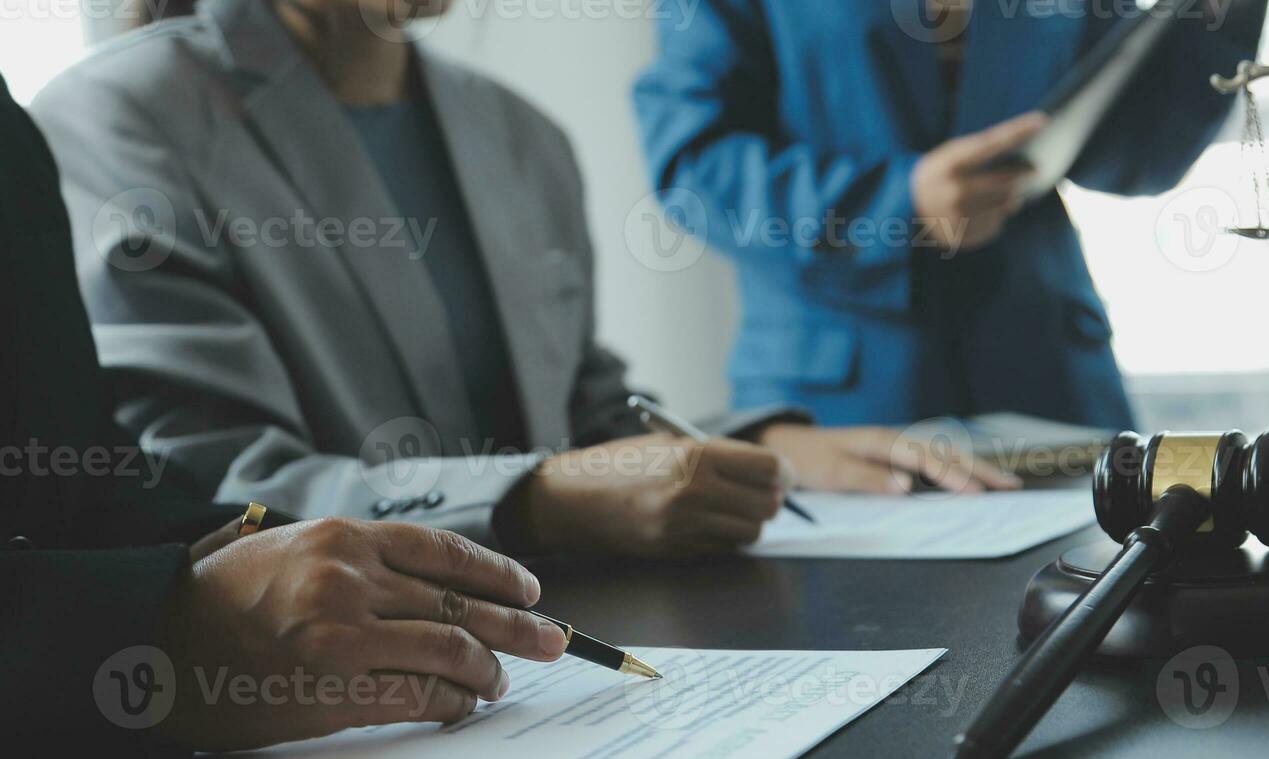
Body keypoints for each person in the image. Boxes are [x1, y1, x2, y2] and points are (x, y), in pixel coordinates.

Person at [32, 0, 1017, 562]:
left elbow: (577, 405)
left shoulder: (519, 133)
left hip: (561, 672)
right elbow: (204, 486)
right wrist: (535, 499)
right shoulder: (121, 116)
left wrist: (760, 448)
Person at [1, 70, 569, 759]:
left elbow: (73, 474)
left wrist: (285, 556)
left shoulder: (514, 121)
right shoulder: (122, 110)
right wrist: (164, 631)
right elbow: (204, 450)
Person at [632, 0, 1266, 427]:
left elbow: (1135, 155)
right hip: (838, 398)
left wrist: (1220, 19)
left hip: (1048, 372)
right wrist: (898, 204)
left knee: (1107, 608)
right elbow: (692, 160)